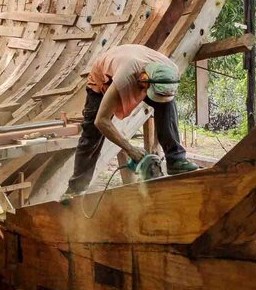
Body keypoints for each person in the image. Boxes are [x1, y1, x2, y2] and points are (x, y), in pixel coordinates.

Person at [61, 44, 199, 202]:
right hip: (104, 77)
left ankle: (176, 159)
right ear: (144, 81)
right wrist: (130, 149)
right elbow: (102, 121)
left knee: (167, 106)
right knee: (92, 134)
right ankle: (75, 190)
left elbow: (164, 108)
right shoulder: (125, 77)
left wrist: (156, 145)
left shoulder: (170, 72)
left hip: (138, 64)